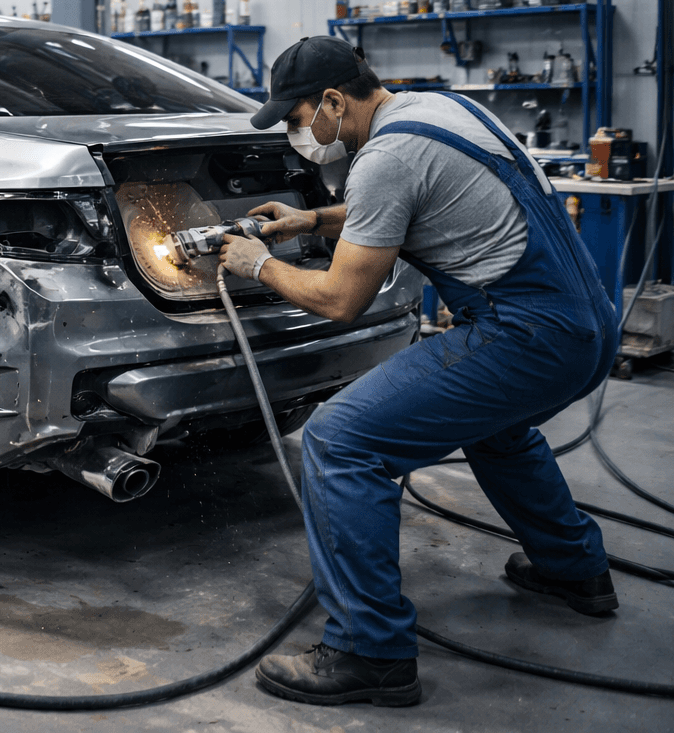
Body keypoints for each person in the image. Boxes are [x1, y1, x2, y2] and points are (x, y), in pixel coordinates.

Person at [219, 35, 619, 707]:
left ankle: (367, 651)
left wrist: (256, 265)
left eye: (296, 121)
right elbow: (400, 206)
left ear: (334, 102)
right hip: (587, 326)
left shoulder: (385, 157)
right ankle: (574, 571)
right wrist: (312, 220)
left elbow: (342, 300)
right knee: (500, 430)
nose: (297, 136)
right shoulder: (440, 110)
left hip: (525, 333)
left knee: (340, 441)